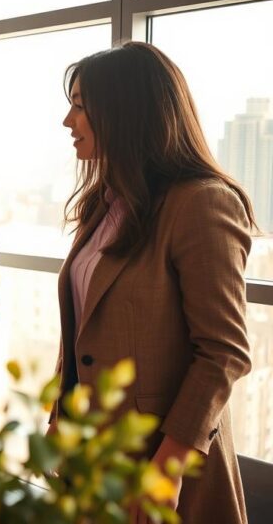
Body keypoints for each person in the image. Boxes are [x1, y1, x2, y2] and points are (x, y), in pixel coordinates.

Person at [55, 42, 255, 523]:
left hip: (162, 458)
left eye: (80, 107)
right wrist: (60, 419)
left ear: (126, 111)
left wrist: (167, 467)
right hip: (93, 451)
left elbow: (224, 352)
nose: (68, 121)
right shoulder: (106, 202)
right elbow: (85, 327)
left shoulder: (202, 203)